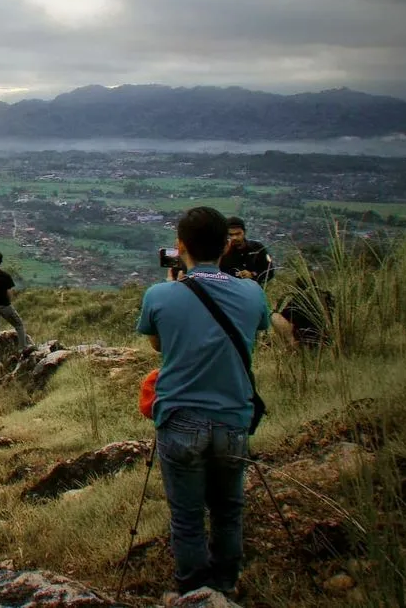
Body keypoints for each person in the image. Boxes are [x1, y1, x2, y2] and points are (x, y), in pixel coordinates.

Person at [137, 207, 271, 596]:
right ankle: (226, 586)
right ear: (227, 246)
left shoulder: (160, 295)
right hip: (233, 418)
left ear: (179, 248)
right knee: (229, 511)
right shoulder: (252, 292)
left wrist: (174, 284)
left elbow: (158, 344)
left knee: (187, 518)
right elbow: (259, 327)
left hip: (179, 419)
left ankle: (194, 593)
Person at [271, 275, 334, 348]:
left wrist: (276, 310)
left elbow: (285, 317)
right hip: (328, 338)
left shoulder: (298, 300)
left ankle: (291, 346)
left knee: (274, 316)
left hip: (305, 340)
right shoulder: (327, 296)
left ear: (298, 287)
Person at [219, 216, 274, 286]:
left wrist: (252, 275)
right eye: (231, 235)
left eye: (238, 234)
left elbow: (269, 272)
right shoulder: (222, 251)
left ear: (244, 232)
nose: (235, 238)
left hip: (253, 290)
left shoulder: (257, 248)